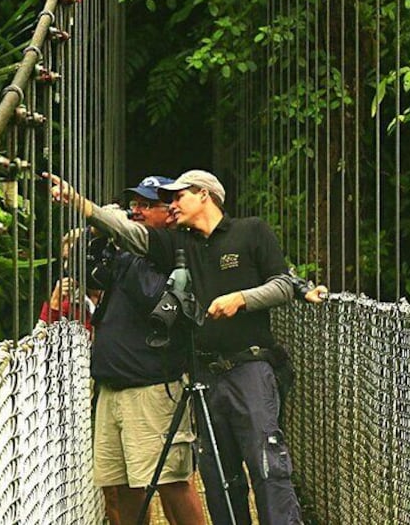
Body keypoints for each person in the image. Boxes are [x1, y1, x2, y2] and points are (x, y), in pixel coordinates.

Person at [44, 169, 328, 525]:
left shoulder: (251, 231)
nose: (172, 204)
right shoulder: (179, 245)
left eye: (178, 197)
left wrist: (241, 298)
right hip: (205, 374)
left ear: (204, 195)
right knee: (218, 478)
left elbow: (283, 284)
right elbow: (130, 232)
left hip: (250, 367)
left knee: (267, 466)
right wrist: (81, 204)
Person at [87, 175, 205, 525]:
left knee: (169, 481)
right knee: (122, 484)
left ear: (168, 211)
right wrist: (96, 241)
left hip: (152, 388)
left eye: (145, 205)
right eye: (133, 204)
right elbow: (89, 277)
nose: (135, 211)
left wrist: (121, 245)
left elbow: (155, 300)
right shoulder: (123, 252)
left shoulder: (175, 249)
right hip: (112, 386)